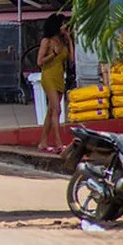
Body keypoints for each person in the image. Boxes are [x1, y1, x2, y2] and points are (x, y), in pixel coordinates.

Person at [37, 13, 73, 153]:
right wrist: (53, 55)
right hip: (49, 76)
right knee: (57, 110)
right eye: (62, 24)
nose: (65, 26)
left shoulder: (62, 41)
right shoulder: (47, 41)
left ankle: (43, 142)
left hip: (59, 77)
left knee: (51, 111)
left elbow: (72, 59)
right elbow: (39, 62)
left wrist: (69, 40)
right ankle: (58, 142)